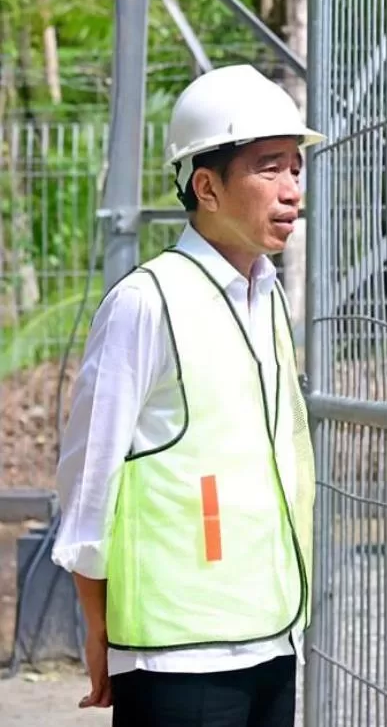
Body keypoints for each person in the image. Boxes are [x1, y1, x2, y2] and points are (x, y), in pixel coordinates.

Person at [51, 64, 324, 727]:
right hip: (178, 660)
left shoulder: (268, 295)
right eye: (269, 168)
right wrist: (99, 628)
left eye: (295, 167)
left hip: (273, 635)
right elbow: (89, 482)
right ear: (206, 186)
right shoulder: (146, 303)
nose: (292, 191)